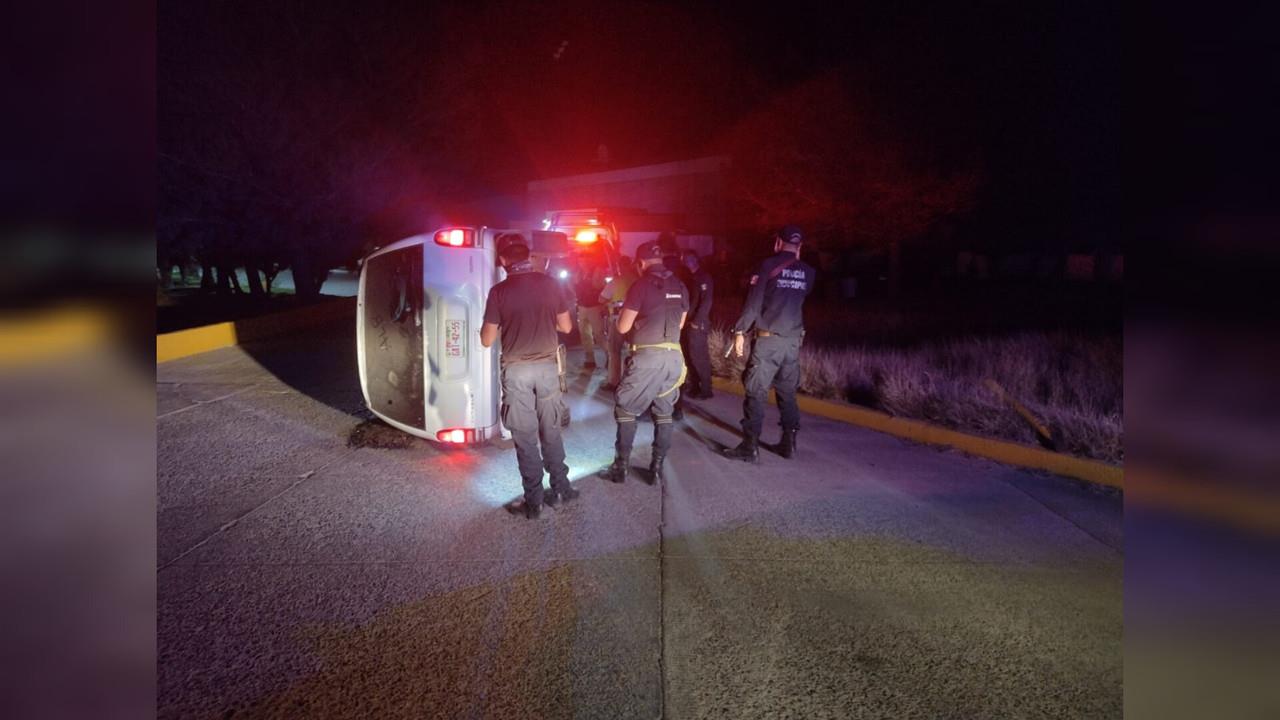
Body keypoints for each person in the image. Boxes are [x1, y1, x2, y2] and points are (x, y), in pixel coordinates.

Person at [480, 233, 579, 519]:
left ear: (502, 260)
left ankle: (533, 502)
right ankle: (561, 490)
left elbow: (487, 340)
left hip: (517, 370)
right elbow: (567, 325)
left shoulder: (499, 292)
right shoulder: (550, 284)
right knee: (551, 430)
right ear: (528, 256)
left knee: (524, 436)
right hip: (548, 368)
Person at [598, 241, 689, 484]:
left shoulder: (641, 285)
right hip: (674, 358)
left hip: (648, 358)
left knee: (626, 409)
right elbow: (680, 323)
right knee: (664, 413)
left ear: (640, 263)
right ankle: (657, 469)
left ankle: (621, 468)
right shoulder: (680, 285)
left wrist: (629, 320)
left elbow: (623, 326)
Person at [723, 225, 816, 463]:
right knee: (787, 393)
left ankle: (749, 446)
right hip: (793, 342)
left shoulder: (766, 266)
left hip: (768, 341)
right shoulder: (808, 271)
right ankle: (788, 444)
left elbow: (753, 303)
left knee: (756, 391)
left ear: (777, 242)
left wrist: (740, 331)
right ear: (800, 246)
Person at [598, 255, 638, 390]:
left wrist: (610, 303)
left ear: (620, 266)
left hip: (617, 320)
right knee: (634, 352)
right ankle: (633, 381)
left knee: (614, 351)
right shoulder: (638, 280)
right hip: (635, 322)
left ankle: (614, 382)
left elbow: (601, 299)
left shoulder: (616, 281)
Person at [680, 249, 715, 400]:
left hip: (698, 324)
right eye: (684, 259)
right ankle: (695, 387)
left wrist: (697, 321)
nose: (686, 261)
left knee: (699, 358)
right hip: (691, 322)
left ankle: (706, 390)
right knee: (690, 356)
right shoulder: (692, 277)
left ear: (695, 259)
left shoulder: (703, 277)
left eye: (688, 258)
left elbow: (706, 301)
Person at [573, 248, 609, 369]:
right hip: (582, 306)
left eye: (585, 258)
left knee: (599, 334)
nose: (582, 260)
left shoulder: (597, 270)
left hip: (594, 306)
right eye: (581, 258)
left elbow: (601, 286)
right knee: (584, 334)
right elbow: (575, 286)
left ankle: (609, 356)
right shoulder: (578, 272)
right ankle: (590, 359)